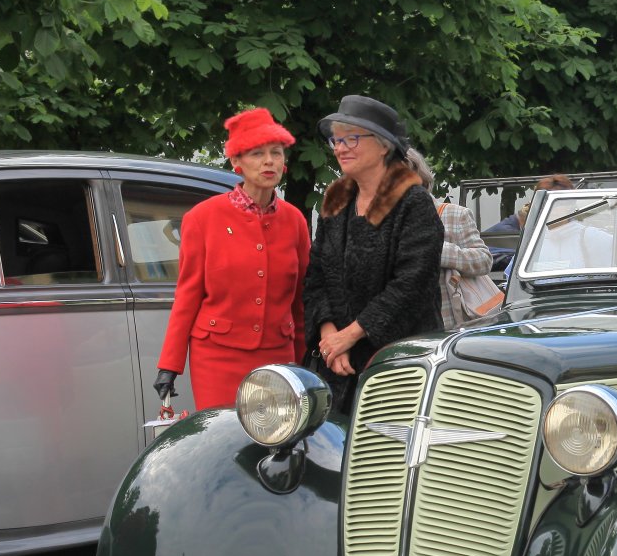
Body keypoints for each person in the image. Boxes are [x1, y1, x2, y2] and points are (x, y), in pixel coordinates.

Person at [154, 108, 310, 410]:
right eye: (257, 153)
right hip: (217, 357)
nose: (269, 161)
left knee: (278, 434)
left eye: (276, 153)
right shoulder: (202, 217)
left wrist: (305, 362)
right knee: (223, 435)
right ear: (237, 161)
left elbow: (301, 301)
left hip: (278, 357)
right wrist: (170, 364)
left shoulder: (295, 221)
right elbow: (188, 295)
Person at [305, 95, 443, 407]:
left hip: (398, 365)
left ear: (383, 146)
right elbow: (316, 276)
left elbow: (412, 285)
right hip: (336, 364)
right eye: (336, 140)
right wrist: (329, 337)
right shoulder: (337, 199)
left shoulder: (413, 203)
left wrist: (350, 336)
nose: (340, 148)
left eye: (351, 138)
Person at [414, 151, 495, 328]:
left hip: (449, 326)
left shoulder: (454, 214)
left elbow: (484, 260)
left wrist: (439, 251)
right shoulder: (382, 223)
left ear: (419, 179)